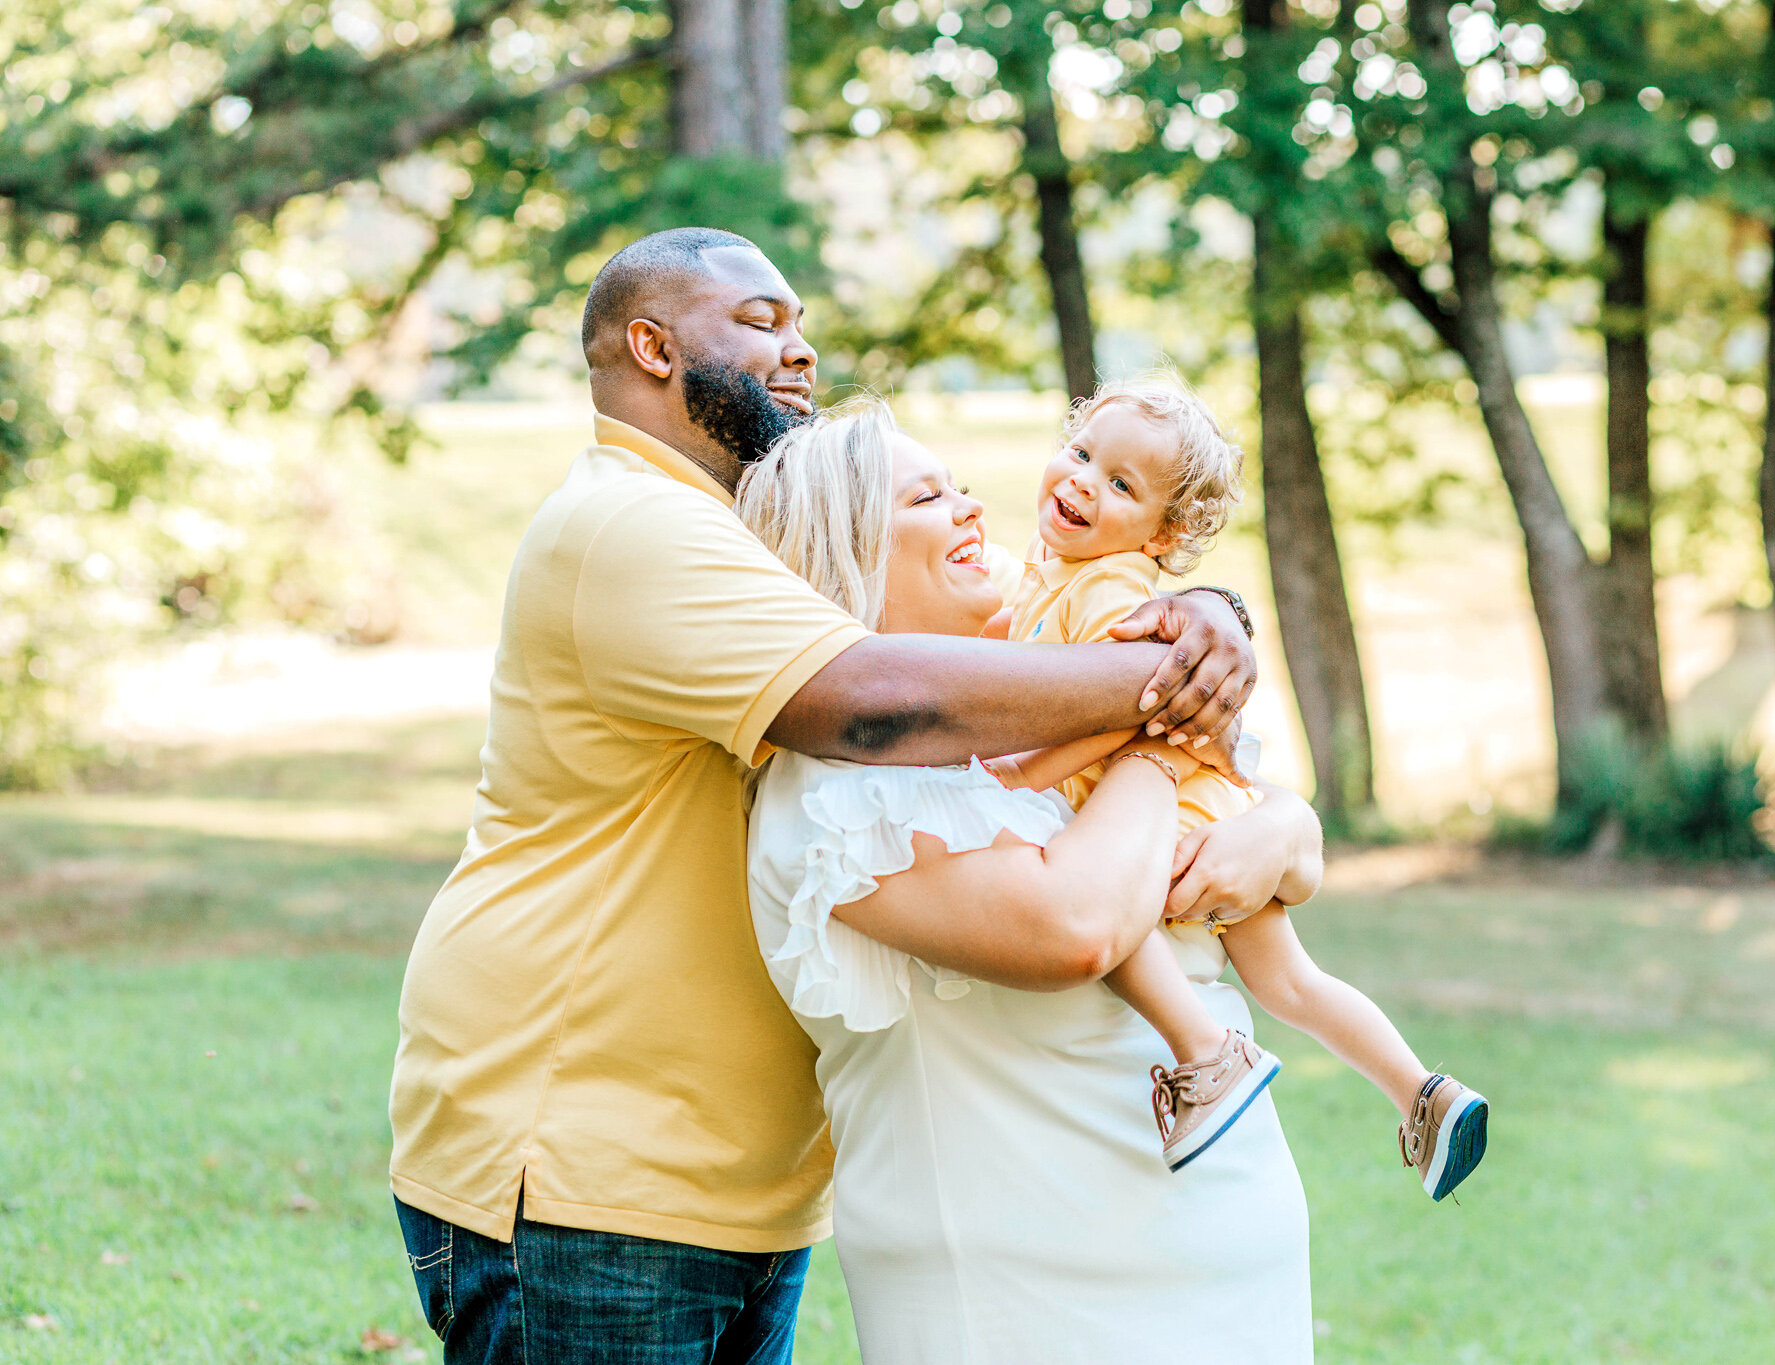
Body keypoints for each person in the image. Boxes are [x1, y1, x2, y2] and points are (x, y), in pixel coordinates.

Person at [386, 226, 1282, 1364]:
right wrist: (1178, 685)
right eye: (762, 323)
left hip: (738, 1176)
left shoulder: (739, 534)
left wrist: (1209, 619)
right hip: (583, 1160)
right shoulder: (632, 520)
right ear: (652, 347)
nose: (800, 350)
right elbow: (870, 699)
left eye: (803, 323)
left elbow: (1024, 643)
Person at [738, 400, 1325, 1364]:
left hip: (1225, 1239)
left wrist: (1287, 822)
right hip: (1022, 1293)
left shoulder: (1025, 726)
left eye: (961, 485)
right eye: (931, 496)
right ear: (844, 550)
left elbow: (1265, 829)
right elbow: (1079, 924)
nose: (974, 509)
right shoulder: (837, 794)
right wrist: (1166, 737)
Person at [986, 375, 1487, 1196]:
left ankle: (1208, 1057)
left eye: (1121, 484)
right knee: (1291, 980)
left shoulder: (1112, 593)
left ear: (1164, 533)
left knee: (1113, 925)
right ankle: (1424, 1094)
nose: (1081, 480)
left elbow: (1125, 716)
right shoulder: (1052, 575)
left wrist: (1018, 772)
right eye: (1080, 453)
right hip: (1211, 808)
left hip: (1168, 818)